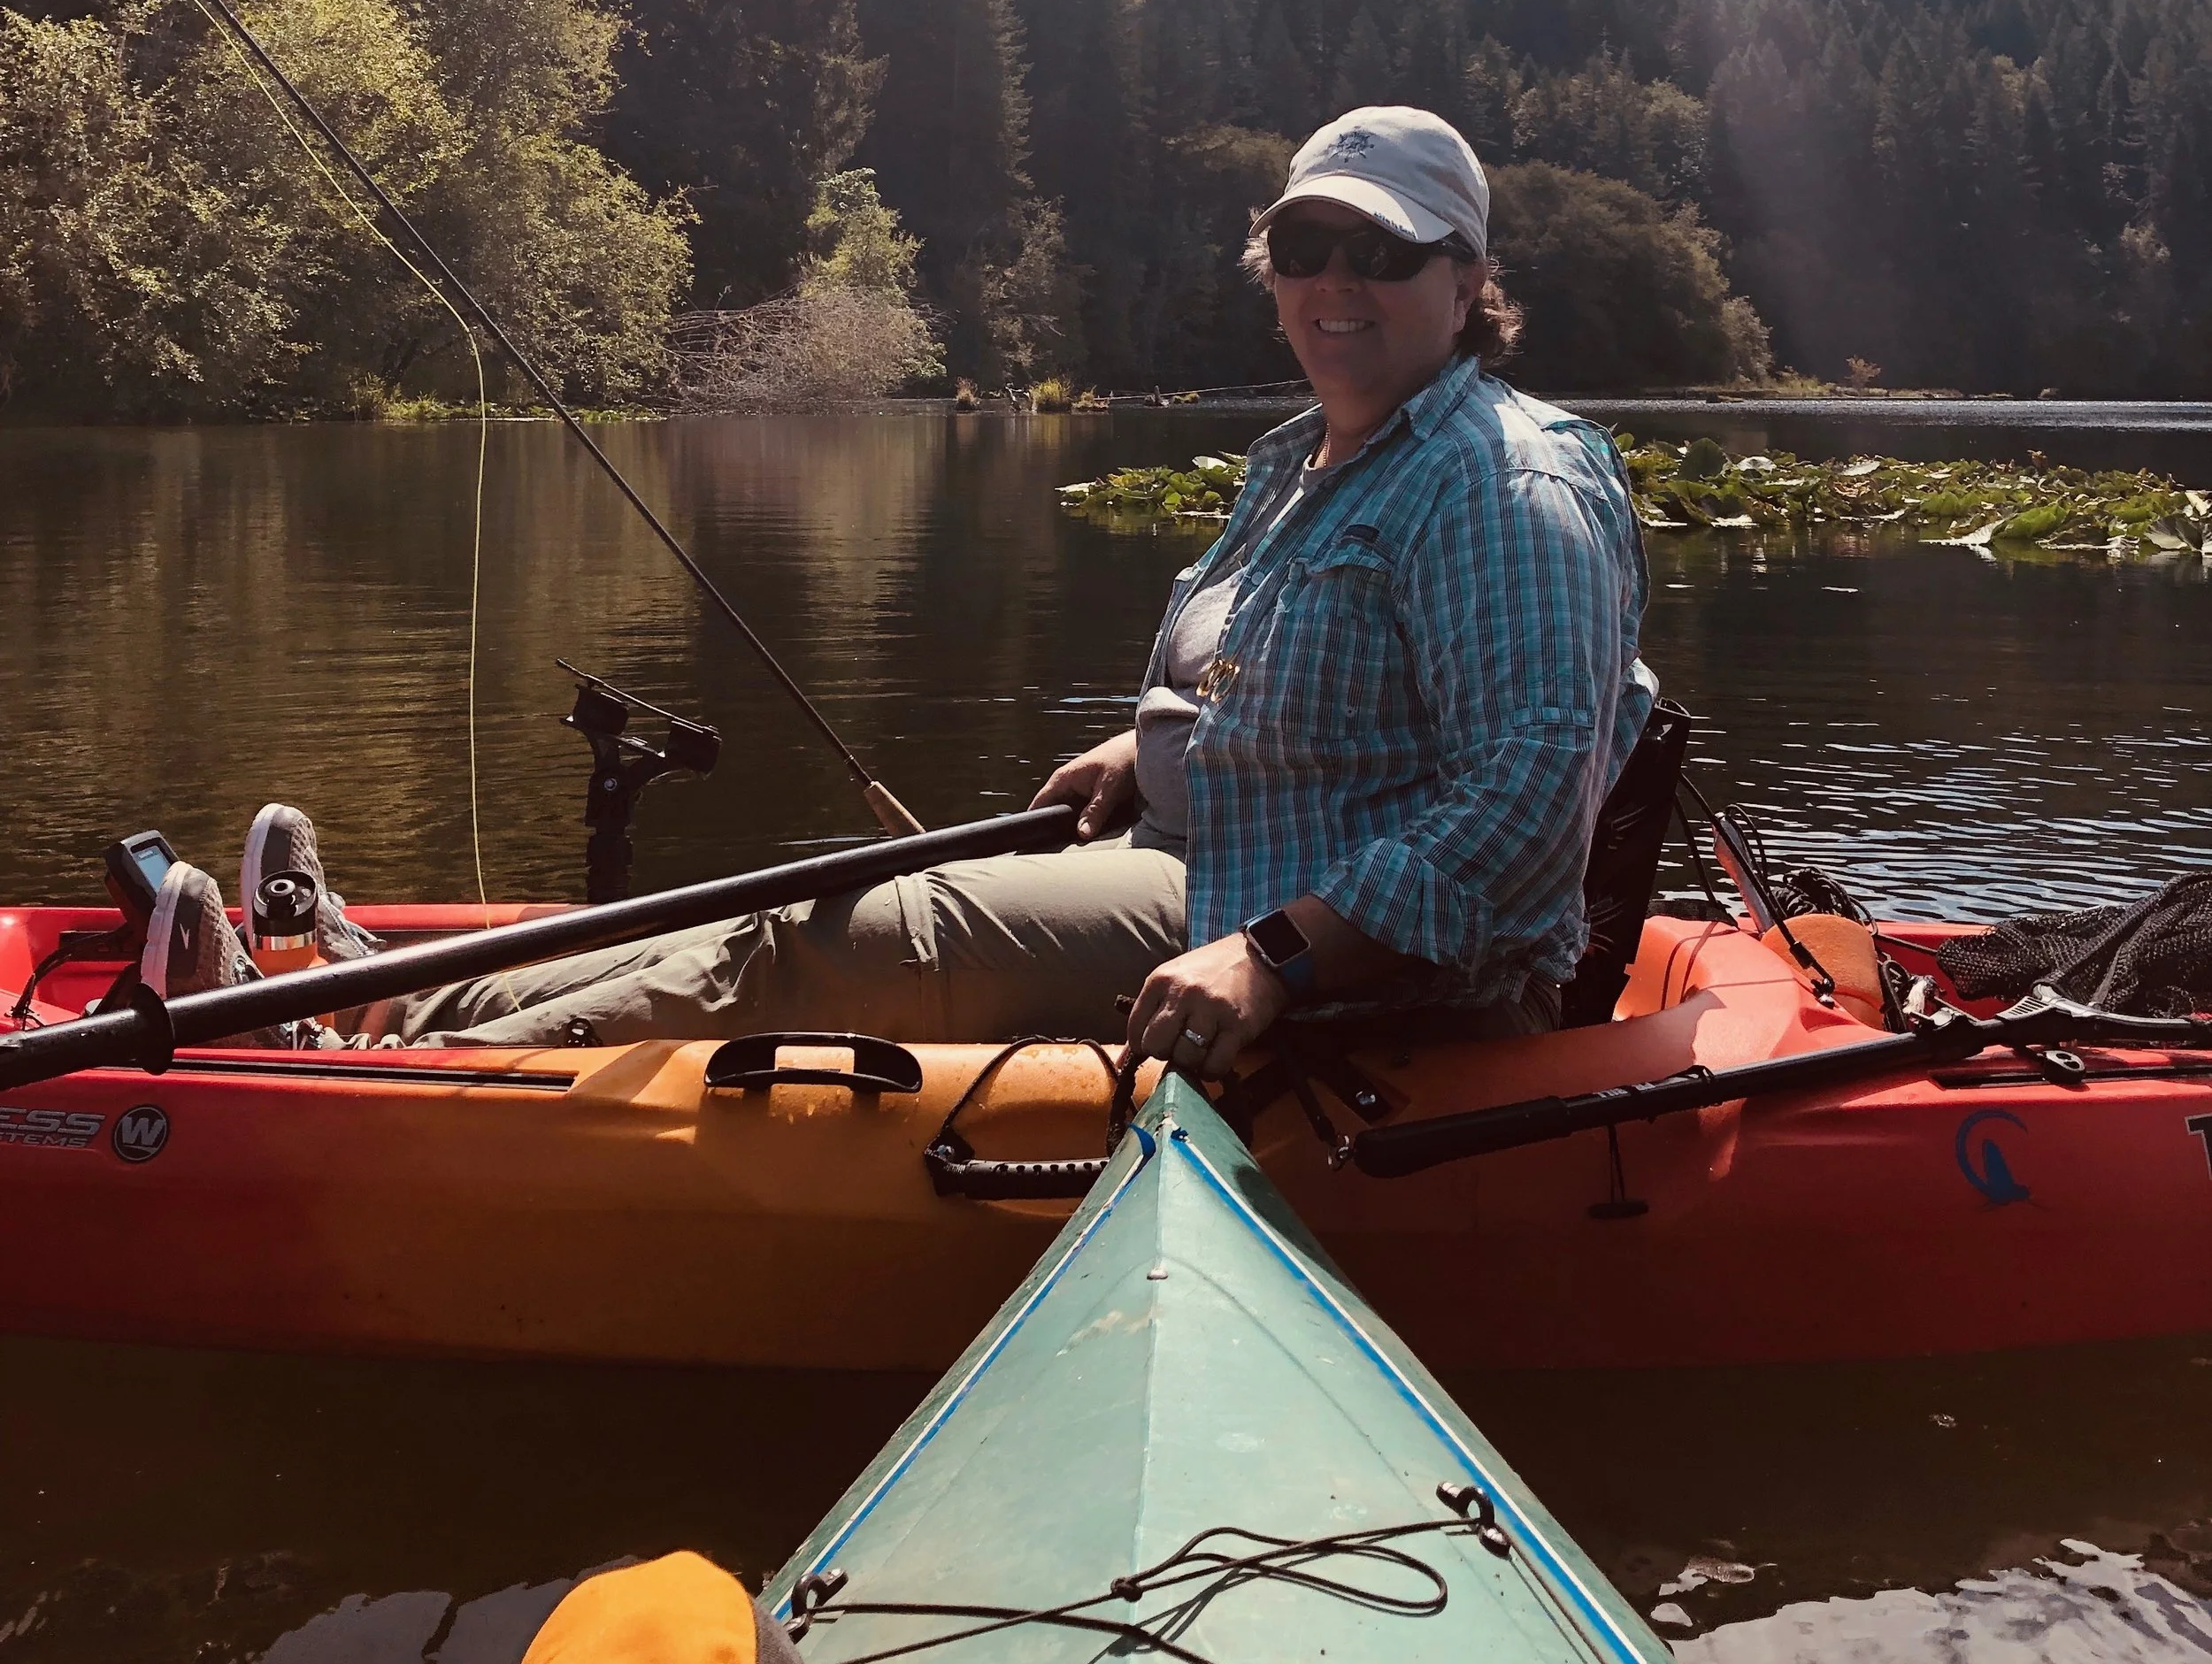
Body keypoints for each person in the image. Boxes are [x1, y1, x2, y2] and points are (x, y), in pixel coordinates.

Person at [250, 106, 1655, 1073]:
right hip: (1204, 858)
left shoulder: (1504, 478)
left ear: (1468, 282)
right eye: (1306, 251)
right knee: (789, 897)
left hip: (1335, 946)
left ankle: (394, 1071)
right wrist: (1142, 743)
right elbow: (1281, 677)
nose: (1335, 285)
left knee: (855, 937)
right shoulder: (1305, 457)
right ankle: (362, 989)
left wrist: (1273, 959)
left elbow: (1525, 805)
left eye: (1386, 255)